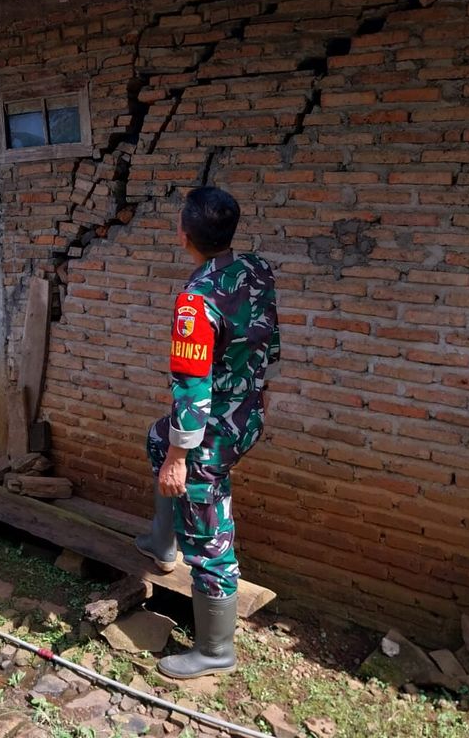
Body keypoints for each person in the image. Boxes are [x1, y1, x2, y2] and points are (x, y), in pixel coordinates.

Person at [134, 186, 280, 680]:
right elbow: (267, 333)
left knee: (210, 533)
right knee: (156, 437)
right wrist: (262, 387)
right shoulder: (254, 269)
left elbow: (192, 392)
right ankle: (161, 542)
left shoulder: (195, 303)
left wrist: (180, 456)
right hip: (247, 412)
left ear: (184, 235)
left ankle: (215, 650)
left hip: (213, 430)